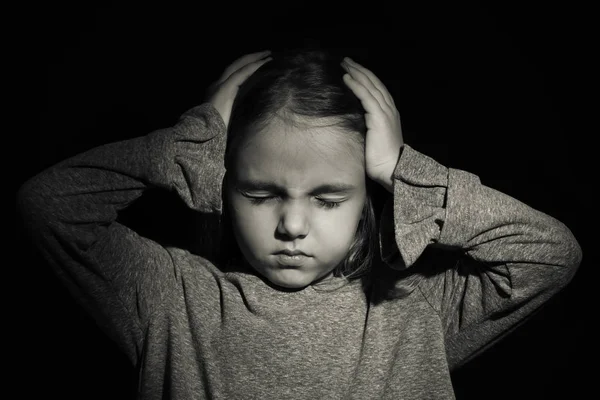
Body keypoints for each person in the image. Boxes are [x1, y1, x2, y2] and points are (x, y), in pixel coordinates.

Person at [17, 48, 582, 399]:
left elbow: (550, 253)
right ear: (220, 181)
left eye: (329, 198)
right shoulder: (171, 298)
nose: (292, 224)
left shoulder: (414, 313)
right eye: (260, 193)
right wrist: (191, 144)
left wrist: (405, 171)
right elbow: (49, 204)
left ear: (369, 197)